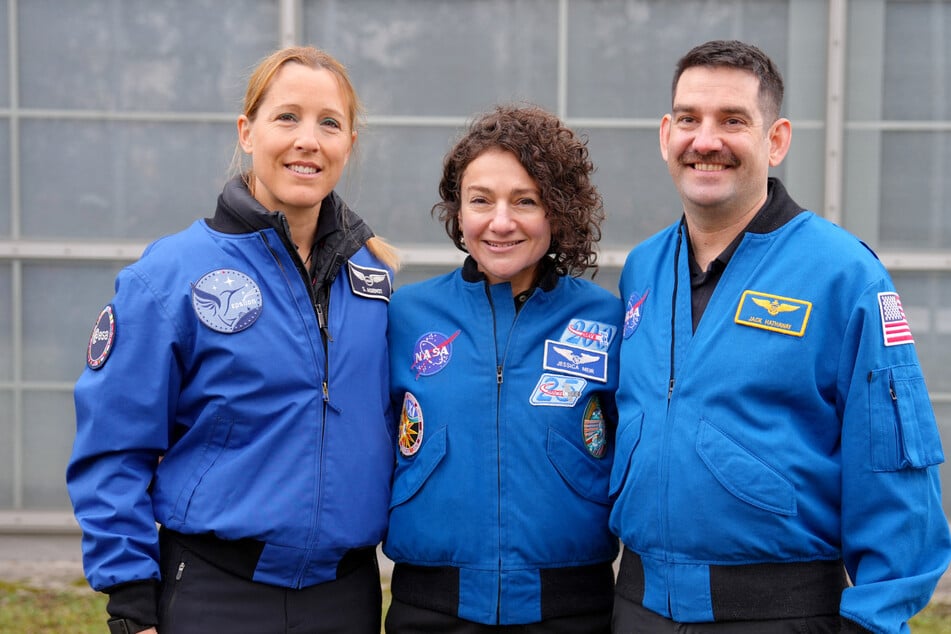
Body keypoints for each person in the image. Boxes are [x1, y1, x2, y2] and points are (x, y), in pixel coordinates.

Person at [609, 39, 951, 633]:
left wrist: (873, 622)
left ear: (776, 139)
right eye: (689, 119)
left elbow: (897, 472)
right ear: (666, 135)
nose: (706, 140)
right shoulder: (641, 269)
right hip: (638, 609)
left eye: (733, 121)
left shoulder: (844, 274)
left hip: (779, 614)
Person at [66, 46, 398, 634]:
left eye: (329, 123)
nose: (308, 140)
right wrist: (131, 601)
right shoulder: (169, 275)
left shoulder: (373, 279)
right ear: (247, 132)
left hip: (345, 598)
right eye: (286, 117)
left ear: (348, 144)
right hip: (214, 594)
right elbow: (113, 448)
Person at [383, 104, 622, 632]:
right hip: (429, 608)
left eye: (525, 201)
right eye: (480, 201)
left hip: (572, 609)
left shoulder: (605, 318)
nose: (500, 222)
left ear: (556, 211)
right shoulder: (406, 316)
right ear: (458, 212)